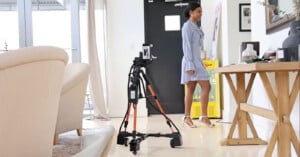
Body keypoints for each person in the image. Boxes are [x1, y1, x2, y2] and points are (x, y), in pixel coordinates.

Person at [181, 3, 214, 128]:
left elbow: (198, 47)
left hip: (197, 61)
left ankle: (198, 117)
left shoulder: (196, 27)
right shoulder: (187, 27)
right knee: (202, 87)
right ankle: (192, 117)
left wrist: (201, 61)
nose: (201, 14)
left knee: (193, 88)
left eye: (201, 12)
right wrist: (189, 65)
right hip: (191, 61)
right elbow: (187, 47)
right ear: (191, 12)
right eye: (198, 11)